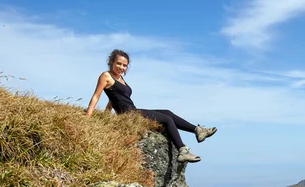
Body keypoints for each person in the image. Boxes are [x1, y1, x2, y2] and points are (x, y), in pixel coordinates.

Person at [86, 49, 216, 163]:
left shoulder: (120, 79)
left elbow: (113, 98)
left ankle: (198, 130)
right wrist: (88, 118)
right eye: (119, 63)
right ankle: (182, 150)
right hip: (129, 113)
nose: (121, 67)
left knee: (167, 112)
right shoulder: (106, 76)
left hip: (133, 110)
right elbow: (96, 96)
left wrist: (106, 116)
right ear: (112, 62)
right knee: (167, 119)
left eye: (125, 65)